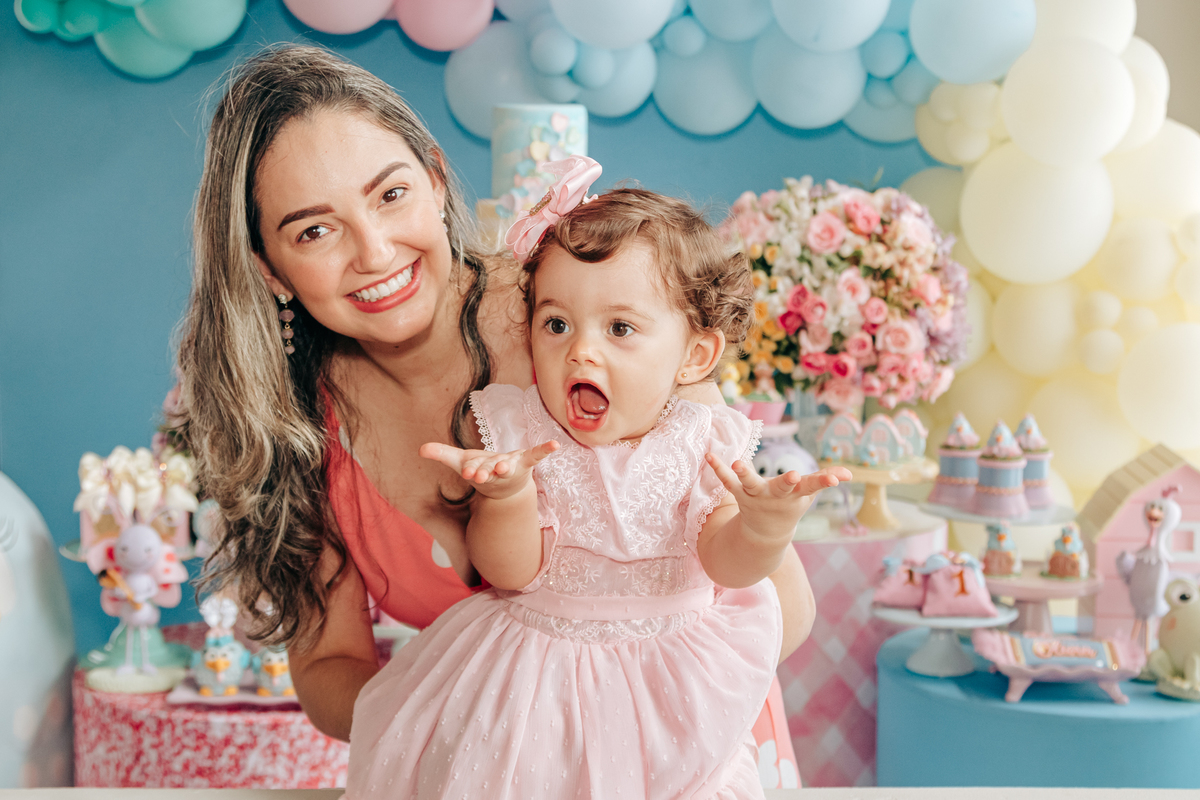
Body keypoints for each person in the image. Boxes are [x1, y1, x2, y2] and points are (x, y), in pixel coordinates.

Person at [174, 44, 815, 773]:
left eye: (390, 195)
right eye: (314, 230)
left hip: (690, 749)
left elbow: (785, 611)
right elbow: (327, 670)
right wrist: (483, 724)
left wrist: (610, 723)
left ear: (437, 181)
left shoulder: (586, 312)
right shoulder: (294, 427)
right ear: (269, 268)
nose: (375, 251)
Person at [346, 156, 849, 799]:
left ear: (693, 355)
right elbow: (509, 572)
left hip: (668, 677)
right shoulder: (522, 433)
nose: (581, 350)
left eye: (620, 328)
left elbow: (725, 562)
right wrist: (507, 497)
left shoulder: (701, 441)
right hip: (537, 677)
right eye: (557, 324)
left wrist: (764, 527)